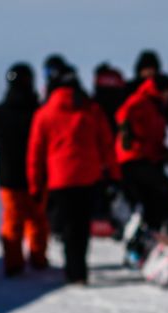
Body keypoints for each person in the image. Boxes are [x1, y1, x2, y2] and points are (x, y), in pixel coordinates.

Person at [28, 54, 116, 283]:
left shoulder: (43, 114)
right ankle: (79, 270)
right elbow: (107, 144)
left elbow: (35, 154)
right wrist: (114, 174)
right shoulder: (91, 110)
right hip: (88, 176)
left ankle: (72, 270)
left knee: (67, 227)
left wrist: (35, 185)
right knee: (81, 226)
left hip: (59, 179)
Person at [0, 62, 48, 276]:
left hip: (8, 176)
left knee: (12, 221)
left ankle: (14, 263)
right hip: (37, 176)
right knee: (37, 219)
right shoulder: (38, 111)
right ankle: (38, 258)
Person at [115, 64, 168, 256]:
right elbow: (123, 113)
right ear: (160, 90)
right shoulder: (142, 100)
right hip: (133, 159)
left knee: (151, 203)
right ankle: (167, 224)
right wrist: (125, 130)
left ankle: (143, 245)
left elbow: (154, 138)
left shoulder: (157, 106)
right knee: (163, 187)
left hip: (147, 158)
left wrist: (166, 152)